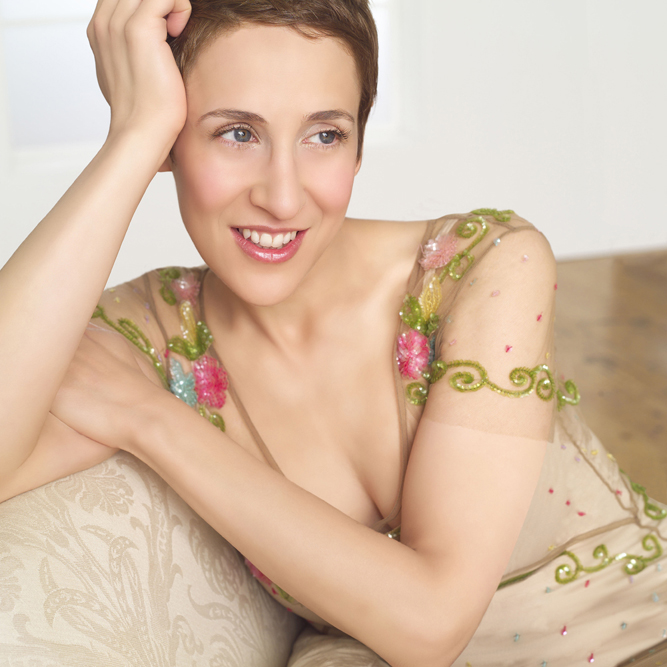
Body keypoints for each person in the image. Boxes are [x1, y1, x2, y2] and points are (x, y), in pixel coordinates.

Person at [0, 1, 665, 665]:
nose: (283, 198)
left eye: (324, 135)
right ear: (173, 142)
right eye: (237, 133)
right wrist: (131, 137)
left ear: (359, 142)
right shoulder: (152, 331)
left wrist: (151, 420)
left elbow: (431, 622)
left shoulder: (481, 266)